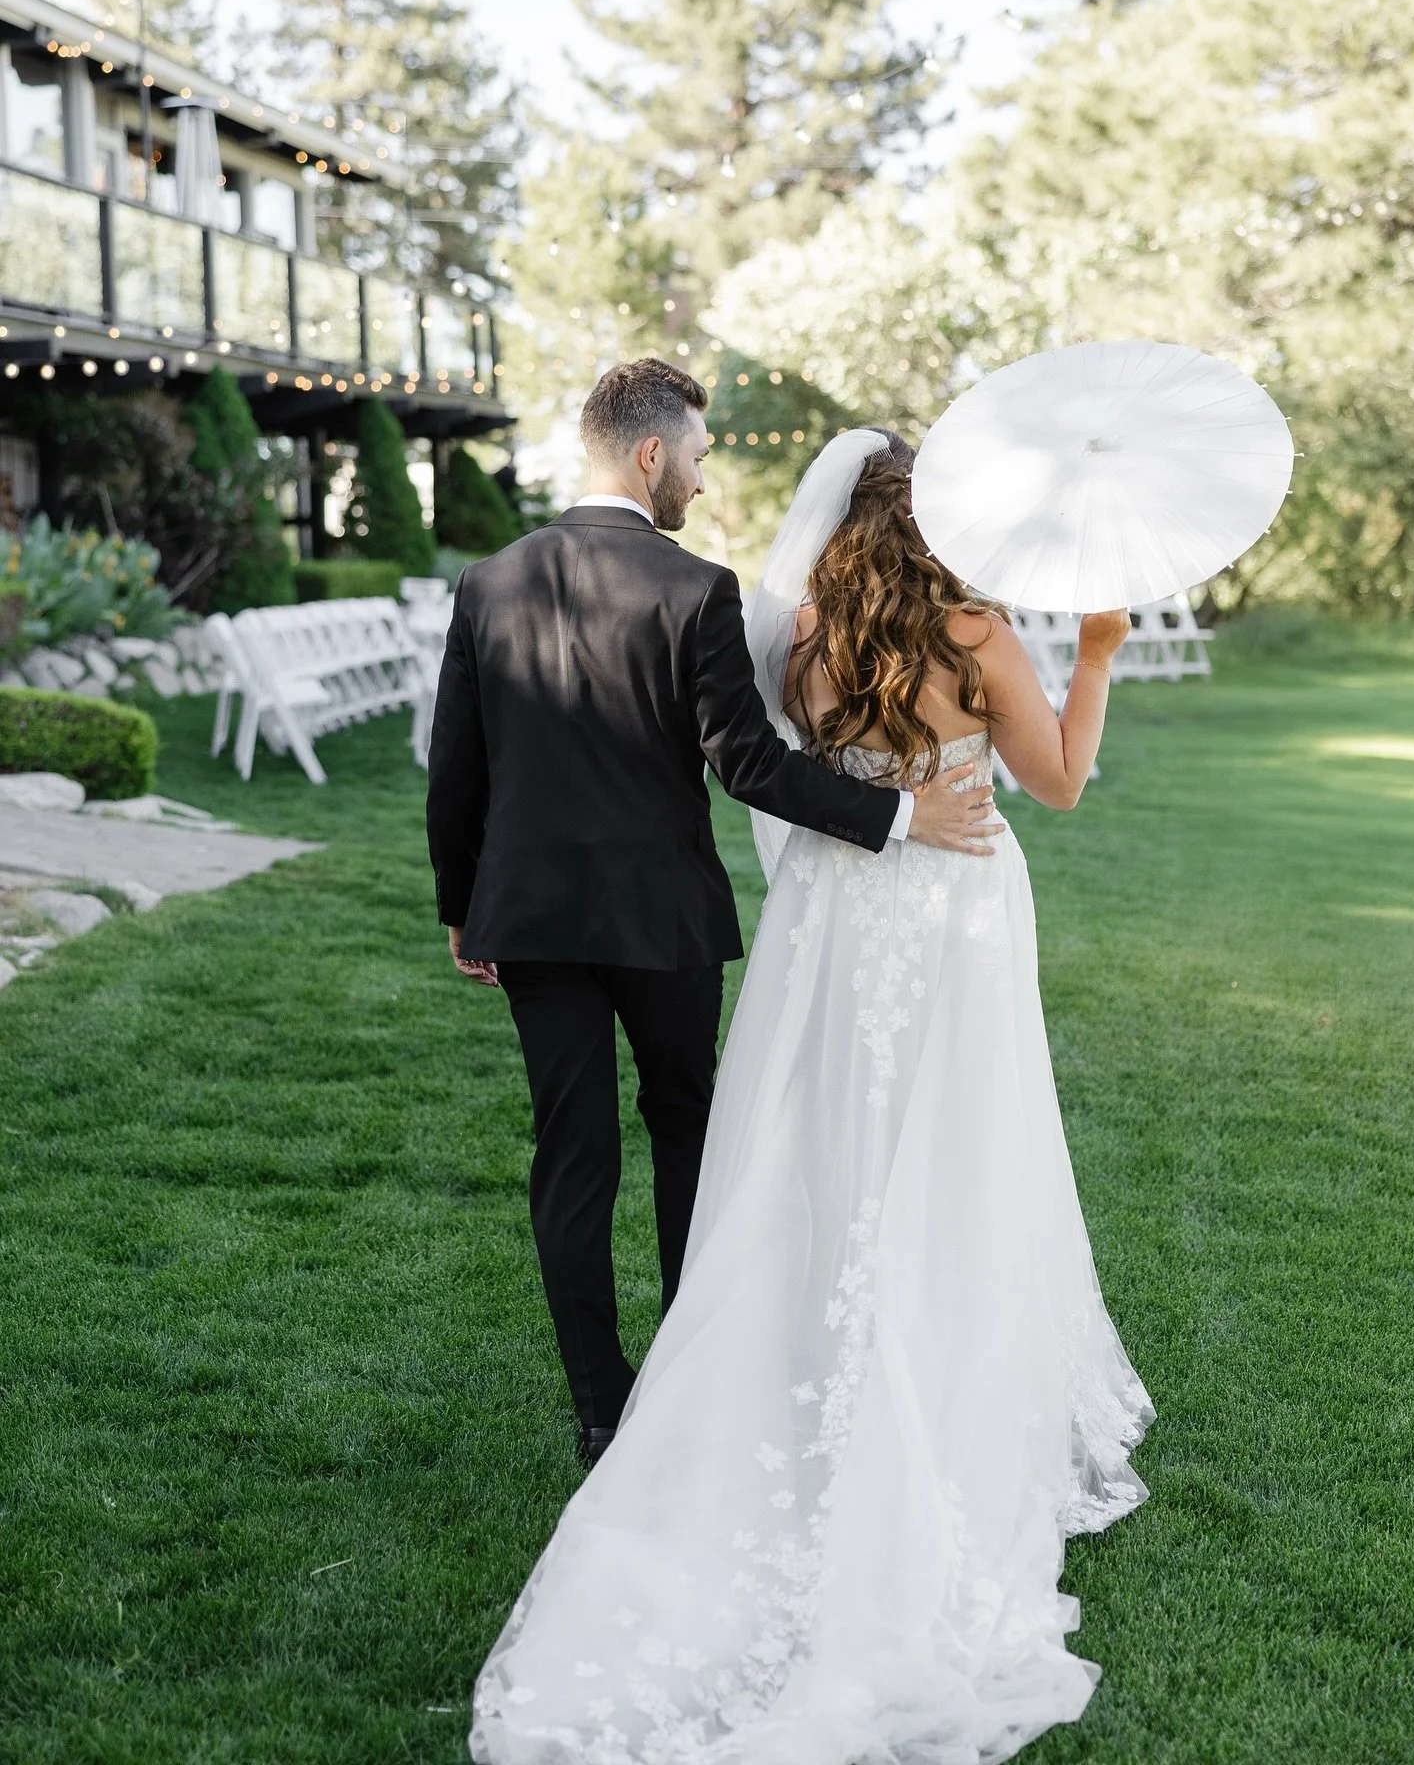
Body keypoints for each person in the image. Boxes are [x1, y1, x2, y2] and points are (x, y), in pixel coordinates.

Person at [467, 426, 1153, 1765]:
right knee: (955, 1146)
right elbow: (1058, 786)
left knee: (816, 1140)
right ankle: (930, 1359)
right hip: (951, 920)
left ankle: (793, 1345)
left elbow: (772, 774)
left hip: (836, 920)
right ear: (944, 519)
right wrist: (1100, 654)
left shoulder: (804, 640)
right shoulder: (977, 633)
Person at [426, 365, 1003, 1469]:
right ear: (650, 455)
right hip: (662, 921)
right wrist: (898, 815)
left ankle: (601, 1408)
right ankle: (690, 1384)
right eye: (694, 454)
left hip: (531, 918)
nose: (700, 475)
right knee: (689, 1128)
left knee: (572, 1157)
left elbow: (460, 767)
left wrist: (465, 907)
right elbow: (746, 766)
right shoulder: (694, 589)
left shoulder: (487, 581)